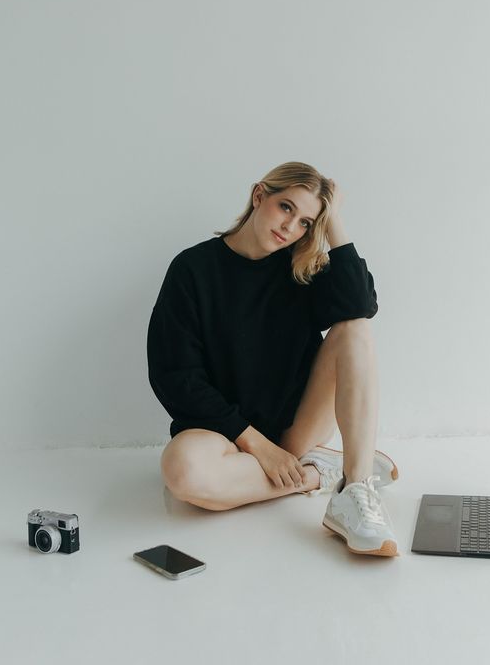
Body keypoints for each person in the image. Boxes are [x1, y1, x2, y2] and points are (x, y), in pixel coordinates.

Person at [147, 161, 399, 557]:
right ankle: (317, 475)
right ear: (259, 195)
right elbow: (175, 376)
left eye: (305, 222)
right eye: (286, 207)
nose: (290, 227)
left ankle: (356, 487)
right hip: (224, 434)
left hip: (295, 428)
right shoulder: (192, 270)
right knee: (181, 471)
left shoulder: (301, 270)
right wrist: (260, 447)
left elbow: (360, 305)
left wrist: (334, 223)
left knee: (354, 327)